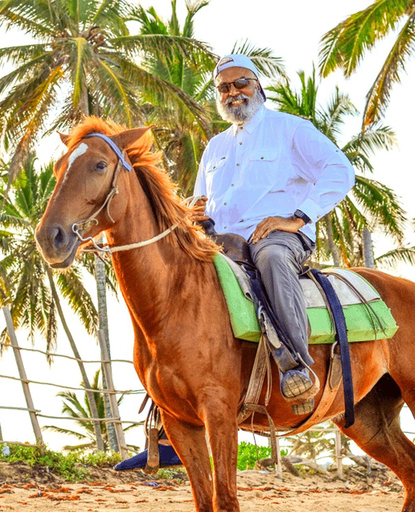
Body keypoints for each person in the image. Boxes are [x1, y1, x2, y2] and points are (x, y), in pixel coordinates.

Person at [115, 53, 354, 471]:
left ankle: (295, 367)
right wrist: (196, 212)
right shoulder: (216, 146)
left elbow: (340, 169)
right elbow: (199, 202)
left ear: (258, 85)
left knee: (273, 259)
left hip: (276, 236)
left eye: (240, 83)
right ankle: (167, 424)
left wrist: (296, 218)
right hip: (219, 242)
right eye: (224, 87)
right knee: (167, 291)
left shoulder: (290, 130)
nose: (232, 93)